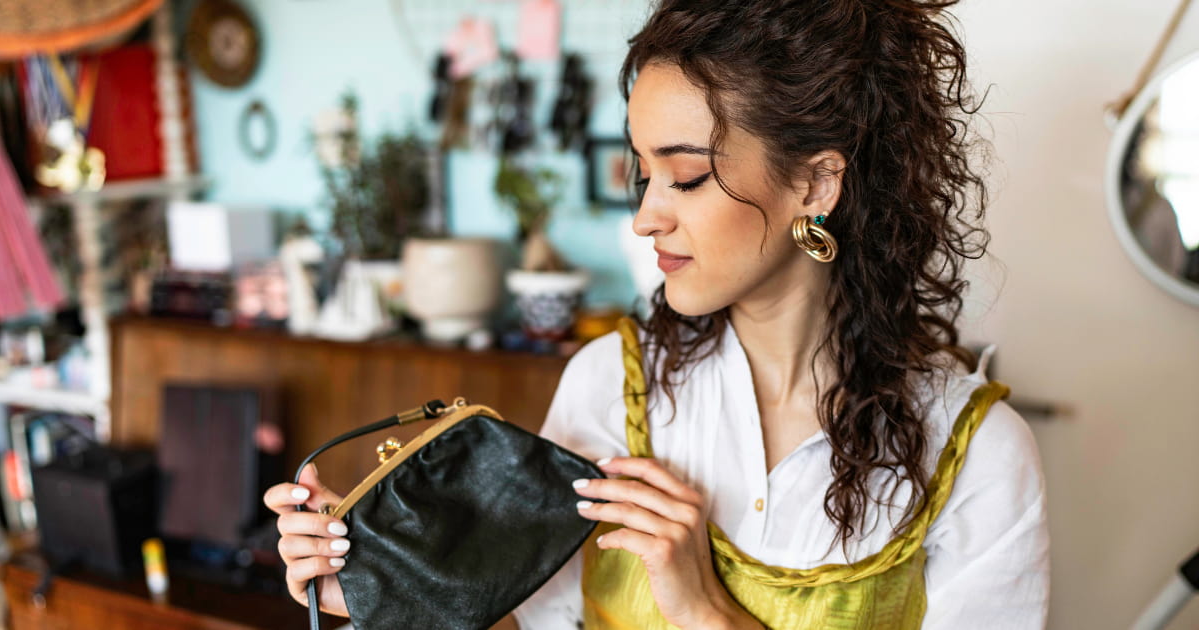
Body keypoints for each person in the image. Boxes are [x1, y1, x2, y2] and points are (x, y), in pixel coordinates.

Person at [263, 0, 1050, 628]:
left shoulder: (975, 454)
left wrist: (705, 611)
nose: (646, 218)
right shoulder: (610, 386)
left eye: (687, 178)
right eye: (643, 176)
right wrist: (375, 588)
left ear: (814, 185)